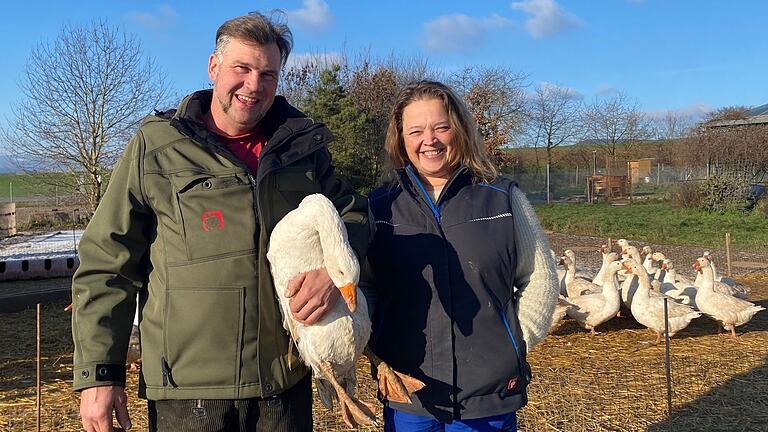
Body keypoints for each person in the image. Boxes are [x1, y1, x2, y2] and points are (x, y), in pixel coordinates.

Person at [71, 12, 368, 432]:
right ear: (214, 67)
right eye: (241, 69)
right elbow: (108, 262)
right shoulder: (157, 146)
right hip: (189, 389)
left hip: (282, 382)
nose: (253, 85)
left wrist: (334, 274)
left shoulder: (300, 148)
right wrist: (100, 374)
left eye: (268, 74)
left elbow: (355, 215)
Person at [364, 81, 559, 431]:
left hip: (488, 392)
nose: (430, 140)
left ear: (460, 130)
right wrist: (374, 347)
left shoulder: (502, 200)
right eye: (416, 131)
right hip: (409, 390)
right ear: (400, 139)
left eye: (441, 127)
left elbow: (540, 275)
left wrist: (515, 338)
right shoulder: (380, 208)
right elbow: (366, 286)